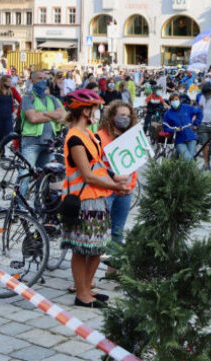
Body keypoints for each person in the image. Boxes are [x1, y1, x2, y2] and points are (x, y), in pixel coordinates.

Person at [61, 89, 129, 308]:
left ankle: (87, 287)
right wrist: (114, 187)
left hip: (98, 199)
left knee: (97, 248)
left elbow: (99, 167)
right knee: (81, 250)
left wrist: (116, 179)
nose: (98, 112)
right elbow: (87, 175)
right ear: (84, 111)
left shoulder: (90, 135)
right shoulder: (74, 137)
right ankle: (81, 293)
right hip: (83, 199)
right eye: (95, 108)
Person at [96, 101, 137, 245]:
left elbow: (133, 166)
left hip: (125, 191)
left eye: (128, 115)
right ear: (113, 116)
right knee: (97, 232)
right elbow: (95, 163)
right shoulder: (100, 137)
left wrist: (128, 185)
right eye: (122, 115)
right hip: (104, 191)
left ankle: (113, 266)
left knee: (117, 233)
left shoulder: (133, 137)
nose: (125, 118)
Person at [21, 71, 66, 171]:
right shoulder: (27, 98)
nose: (43, 81)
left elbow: (63, 116)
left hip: (49, 143)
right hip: (31, 143)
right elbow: (33, 118)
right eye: (39, 78)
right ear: (32, 81)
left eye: (44, 79)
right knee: (24, 176)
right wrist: (53, 115)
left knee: (45, 177)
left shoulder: (52, 98)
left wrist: (44, 113)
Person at [162, 92, 202, 160]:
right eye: (172, 100)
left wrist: (196, 123)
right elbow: (165, 128)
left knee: (189, 160)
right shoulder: (168, 114)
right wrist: (174, 130)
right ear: (170, 102)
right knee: (188, 159)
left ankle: (182, 170)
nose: (175, 101)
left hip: (191, 137)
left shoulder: (187, 108)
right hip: (179, 140)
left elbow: (199, 112)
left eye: (176, 99)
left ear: (179, 100)